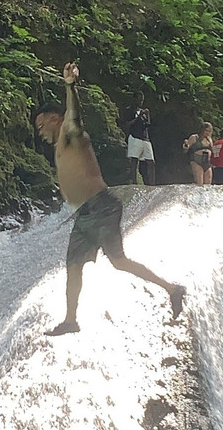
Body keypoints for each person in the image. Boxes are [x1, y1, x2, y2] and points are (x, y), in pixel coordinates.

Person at [34, 63, 186, 336]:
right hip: (85, 213)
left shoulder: (71, 134)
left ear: (55, 118)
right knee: (80, 265)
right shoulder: (60, 145)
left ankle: (172, 289)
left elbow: (74, 115)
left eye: (41, 125)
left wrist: (70, 86)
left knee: (115, 261)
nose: (40, 132)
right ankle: (71, 320)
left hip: (100, 206)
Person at [121, 91, 155, 185]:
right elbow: (127, 124)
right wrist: (138, 116)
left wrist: (147, 116)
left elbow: (148, 125)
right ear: (134, 99)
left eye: (142, 100)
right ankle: (134, 182)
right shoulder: (129, 110)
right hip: (135, 136)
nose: (141, 102)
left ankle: (152, 184)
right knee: (134, 161)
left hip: (145, 138)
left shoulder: (143, 111)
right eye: (139, 100)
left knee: (151, 162)